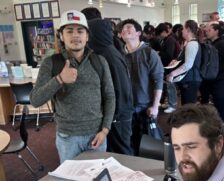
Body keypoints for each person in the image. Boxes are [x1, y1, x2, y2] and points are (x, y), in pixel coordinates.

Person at [30, 10, 115, 163]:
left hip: (96, 135)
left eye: (80, 31)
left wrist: (105, 130)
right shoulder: (51, 63)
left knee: (98, 179)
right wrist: (60, 79)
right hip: (67, 138)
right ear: (61, 36)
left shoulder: (100, 61)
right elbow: (35, 100)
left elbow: (110, 96)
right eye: (69, 31)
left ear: (87, 36)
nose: (75, 35)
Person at [85, 16, 134, 155]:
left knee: (121, 152)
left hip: (119, 115)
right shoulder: (106, 51)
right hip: (117, 114)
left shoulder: (108, 56)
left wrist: (112, 117)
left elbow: (120, 89)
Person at [121, 19, 164, 155]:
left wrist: (156, 105)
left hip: (145, 107)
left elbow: (158, 79)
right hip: (126, 107)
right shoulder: (119, 55)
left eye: (129, 27)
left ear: (139, 33)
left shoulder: (149, 53)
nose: (124, 30)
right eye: (122, 29)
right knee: (129, 143)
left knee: (148, 143)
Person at [200, 22, 224, 123]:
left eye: (209, 30)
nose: (206, 32)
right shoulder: (209, 43)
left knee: (219, 97)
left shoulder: (222, 44)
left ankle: (221, 120)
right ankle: (212, 118)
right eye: (206, 30)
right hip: (213, 75)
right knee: (210, 96)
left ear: (216, 31)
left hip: (223, 75)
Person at [166, 20, 202, 106]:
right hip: (189, 79)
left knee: (188, 106)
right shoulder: (189, 43)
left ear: (188, 30)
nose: (181, 30)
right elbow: (185, 60)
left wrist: (172, 74)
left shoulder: (192, 44)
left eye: (183, 28)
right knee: (186, 105)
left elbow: (188, 65)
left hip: (191, 80)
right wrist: (176, 60)